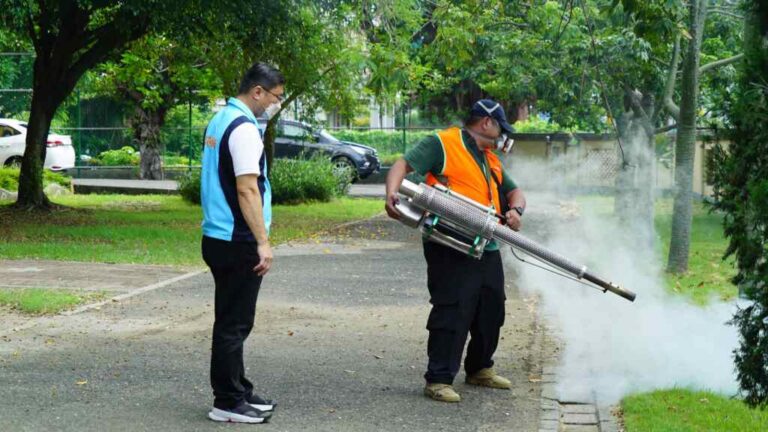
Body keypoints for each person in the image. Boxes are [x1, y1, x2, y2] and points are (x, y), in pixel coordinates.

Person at [385, 99, 526, 403]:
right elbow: (402, 164)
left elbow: (514, 191)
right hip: (449, 241)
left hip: (486, 243)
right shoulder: (443, 143)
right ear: (487, 123)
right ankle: (438, 379)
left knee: (492, 307)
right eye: (501, 127)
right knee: (454, 307)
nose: (503, 134)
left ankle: (479, 369)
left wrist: (516, 210)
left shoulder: (490, 158)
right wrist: (391, 194)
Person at [200, 62, 285, 423]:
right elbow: (247, 187)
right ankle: (228, 401)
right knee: (234, 324)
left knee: (231, 320)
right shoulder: (245, 129)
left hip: (217, 236)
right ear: (257, 92)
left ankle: (238, 387)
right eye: (275, 97)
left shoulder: (220, 120)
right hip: (237, 240)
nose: (275, 105)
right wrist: (262, 242)